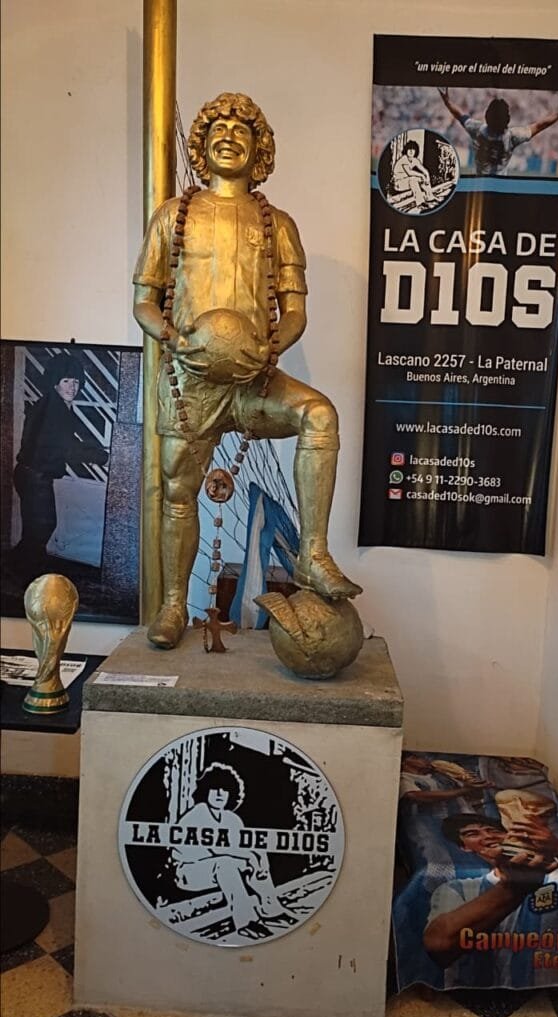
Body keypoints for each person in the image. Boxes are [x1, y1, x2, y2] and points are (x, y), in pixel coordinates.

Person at [133, 92, 361, 649]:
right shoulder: (172, 217)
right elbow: (144, 301)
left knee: (319, 415)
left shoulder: (278, 224)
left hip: (255, 379)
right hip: (189, 382)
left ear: (260, 149)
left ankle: (312, 553)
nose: (229, 136)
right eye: (219, 129)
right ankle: (172, 605)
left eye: (242, 129)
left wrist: (272, 344)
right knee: (179, 491)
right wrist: (174, 339)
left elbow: (295, 310)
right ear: (202, 146)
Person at [423, 812, 558, 987]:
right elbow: (439, 946)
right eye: (472, 834)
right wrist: (511, 889)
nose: (488, 836)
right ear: (464, 847)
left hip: (555, 996)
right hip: (480, 1001)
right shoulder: (457, 889)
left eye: (494, 830)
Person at [11, 353, 109, 577]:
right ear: (55, 381)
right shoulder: (54, 409)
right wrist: (103, 458)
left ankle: (20, 566)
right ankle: (27, 575)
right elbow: (69, 450)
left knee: (37, 529)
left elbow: (66, 440)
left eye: (76, 381)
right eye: (66, 381)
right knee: (41, 528)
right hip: (35, 477)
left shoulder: (52, 404)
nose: (72, 387)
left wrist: (95, 450)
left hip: (30, 474)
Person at [170, 763, 293, 939]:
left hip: (216, 869)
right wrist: (249, 856)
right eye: (215, 789)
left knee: (251, 859)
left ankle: (271, 909)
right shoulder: (198, 814)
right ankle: (246, 921)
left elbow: (242, 845)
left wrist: (260, 857)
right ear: (206, 791)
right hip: (188, 871)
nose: (220, 794)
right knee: (226, 863)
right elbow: (217, 848)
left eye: (225, 790)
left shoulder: (232, 818)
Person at [438, 88, 558, 176]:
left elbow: (460, 115)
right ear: (507, 119)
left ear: (487, 115)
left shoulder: (477, 129)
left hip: (479, 184)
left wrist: (447, 101)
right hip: (501, 186)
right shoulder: (512, 136)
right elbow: (541, 125)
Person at [391, 140, 436, 210]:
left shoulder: (415, 160)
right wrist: (422, 175)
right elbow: (409, 172)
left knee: (422, 178)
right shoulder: (404, 159)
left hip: (406, 181)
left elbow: (425, 170)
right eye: (409, 149)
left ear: (416, 151)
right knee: (413, 179)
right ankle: (420, 203)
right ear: (406, 150)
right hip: (398, 183)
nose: (411, 151)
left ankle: (430, 197)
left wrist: (427, 177)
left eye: (413, 149)